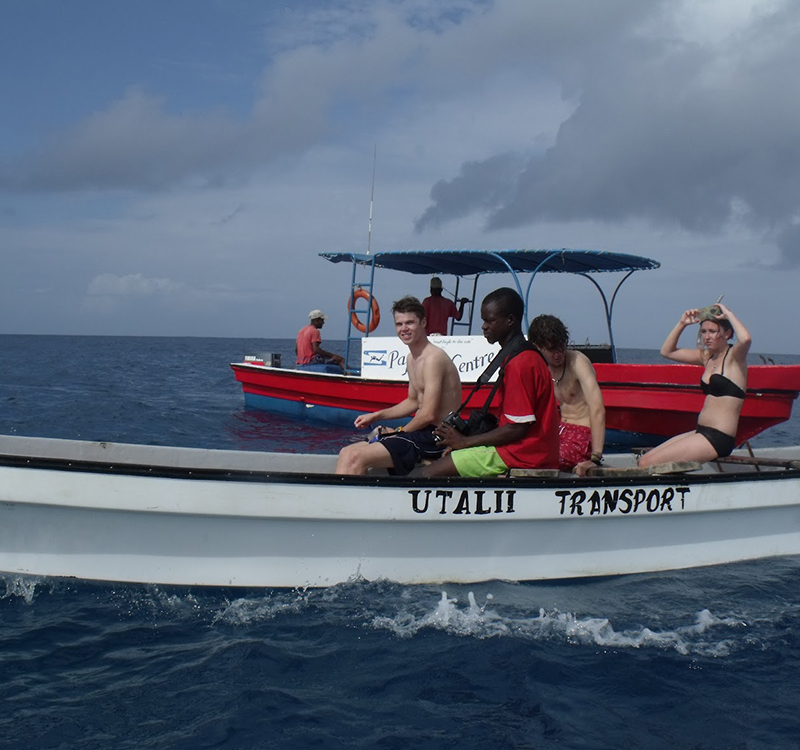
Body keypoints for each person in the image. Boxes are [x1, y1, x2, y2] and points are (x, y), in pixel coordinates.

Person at [421, 288, 559, 478]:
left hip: (523, 454)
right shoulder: (519, 355)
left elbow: (517, 428)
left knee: (426, 474)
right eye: (483, 320)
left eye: (490, 320)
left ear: (510, 320)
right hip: (527, 451)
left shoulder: (520, 363)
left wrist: (463, 442)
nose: (484, 327)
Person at [335, 296, 462, 475]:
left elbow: (428, 415)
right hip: (423, 432)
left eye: (410, 323)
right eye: (399, 324)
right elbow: (413, 401)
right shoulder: (412, 358)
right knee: (345, 452)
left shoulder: (433, 359)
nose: (404, 329)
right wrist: (376, 416)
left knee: (355, 456)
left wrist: (399, 432)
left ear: (423, 322)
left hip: (437, 437)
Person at [638, 301, 751, 468]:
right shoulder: (707, 357)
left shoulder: (734, 358)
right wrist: (682, 323)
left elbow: (746, 338)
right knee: (643, 459)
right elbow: (667, 351)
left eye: (712, 331)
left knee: (648, 463)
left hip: (718, 438)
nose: (707, 336)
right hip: (701, 432)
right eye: (704, 331)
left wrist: (727, 313)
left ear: (727, 333)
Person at [528, 314, 606, 476]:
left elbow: (597, 407)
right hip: (558, 431)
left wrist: (596, 457)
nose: (558, 354)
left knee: (544, 461)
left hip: (582, 434)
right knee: (521, 456)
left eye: (561, 347)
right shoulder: (540, 366)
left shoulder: (578, 361)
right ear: (538, 347)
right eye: (551, 349)